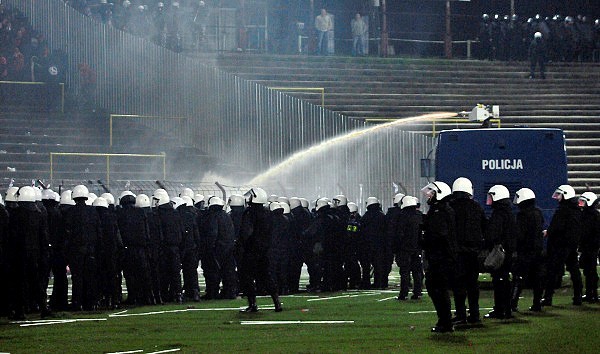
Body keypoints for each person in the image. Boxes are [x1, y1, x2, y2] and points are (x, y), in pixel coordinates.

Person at [238, 187, 282, 312]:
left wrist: (242, 244)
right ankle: (277, 303)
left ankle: (253, 304)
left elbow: (247, 232)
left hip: (251, 251)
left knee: (247, 277)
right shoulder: (267, 213)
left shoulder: (249, 213)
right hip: (264, 250)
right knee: (267, 276)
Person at [421, 181, 457, 333]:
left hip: (440, 257)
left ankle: (445, 322)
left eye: (431, 192)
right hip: (440, 256)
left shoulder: (439, 211)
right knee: (436, 288)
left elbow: (438, 235)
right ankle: (444, 321)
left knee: (437, 288)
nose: (428, 195)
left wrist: (424, 240)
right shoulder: (440, 210)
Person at [449, 177, 486, 324]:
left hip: (457, 253)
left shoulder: (451, 207)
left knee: (459, 286)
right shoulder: (476, 207)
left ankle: (460, 314)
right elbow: (484, 227)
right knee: (472, 284)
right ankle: (475, 314)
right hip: (473, 253)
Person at [542, 185, 583, 306]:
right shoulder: (576, 210)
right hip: (571, 245)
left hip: (560, 246)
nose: (558, 197)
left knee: (552, 271)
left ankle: (548, 297)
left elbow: (556, 227)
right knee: (574, 270)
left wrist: (548, 232)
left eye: (560, 195)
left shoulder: (563, 210)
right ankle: (578, 296)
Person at [64, 185, 101, 311]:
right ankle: (90, 303)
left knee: (77, 278)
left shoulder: (70, 212)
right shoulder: (93, 211)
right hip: (91, 249)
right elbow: (98, 231)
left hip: (76, 250)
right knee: (90, 277)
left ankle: (77, 303)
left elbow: (68, 233)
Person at [484, 185, 518, 320]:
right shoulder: (508, 212)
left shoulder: (499, 213)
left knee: (499, 281)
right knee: (504, 280)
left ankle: (500, 309)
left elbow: (493, 233)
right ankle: (506, 309)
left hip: (500, 252)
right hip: (508, 251)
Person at [512, 188, 545, 312]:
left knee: (519, 278)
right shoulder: (538, 212)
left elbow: (520, 234)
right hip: (538, 250)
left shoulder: (522, 215)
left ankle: (513, 303)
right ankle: (537, 303)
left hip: (525, 251)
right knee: (537, 279)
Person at [117, 191, 152, 306]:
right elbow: (147, 231)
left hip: (127, 248)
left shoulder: (120, 214)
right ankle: (146, 297)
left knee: (130, 275)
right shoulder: (141, 212)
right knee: (143, 274)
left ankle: (133, 297)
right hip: (141, 248)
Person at [394, 196, 423, 301]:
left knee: (405, 272)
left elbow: (399, 234)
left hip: (404, 249)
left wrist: (396, 248)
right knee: (417, 272)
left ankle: (404, 294)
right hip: (417, 248)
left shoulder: (402, 216)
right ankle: (418, 292)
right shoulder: (419, 216)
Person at [361, 197, 389, 289]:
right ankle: (378, 283)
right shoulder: (382, 216)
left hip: (367, 245)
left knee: (366, 266)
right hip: (379, 245)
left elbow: (361, 231)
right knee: (378, 266)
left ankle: (366, 283)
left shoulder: (366, 216)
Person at [578, 192, 600, 303]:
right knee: (588, 271)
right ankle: (590, 293)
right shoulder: (585, 214)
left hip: (591, 247)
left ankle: (594, 294)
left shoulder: (594, 215)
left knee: (591, 271)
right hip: (587, 246)